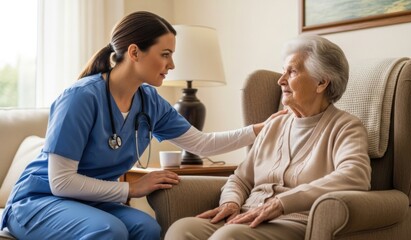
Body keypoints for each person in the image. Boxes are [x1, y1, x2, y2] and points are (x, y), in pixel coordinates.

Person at [0, 11, 285, 240]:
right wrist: (131, 190)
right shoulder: (80, 98)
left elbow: (201, 143)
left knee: (147, 229)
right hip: (40, 201)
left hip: (87, 203)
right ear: (134, 52)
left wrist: (260, 129)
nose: (172, 64)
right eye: (165, 54)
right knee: (109, 231)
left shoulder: (149, 100)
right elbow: (61, 182)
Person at [165, 35, 372, 240]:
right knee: (182, 229)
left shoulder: (345, 127)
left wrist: (282, 203)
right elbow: (241, 178)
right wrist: (231, 202)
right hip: (246, 216)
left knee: (229, 236)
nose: (280, 80)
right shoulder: (275, 125)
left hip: (293, 221)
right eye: (283, 71)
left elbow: (355, 175)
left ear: (321, 82)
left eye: (291, 72)